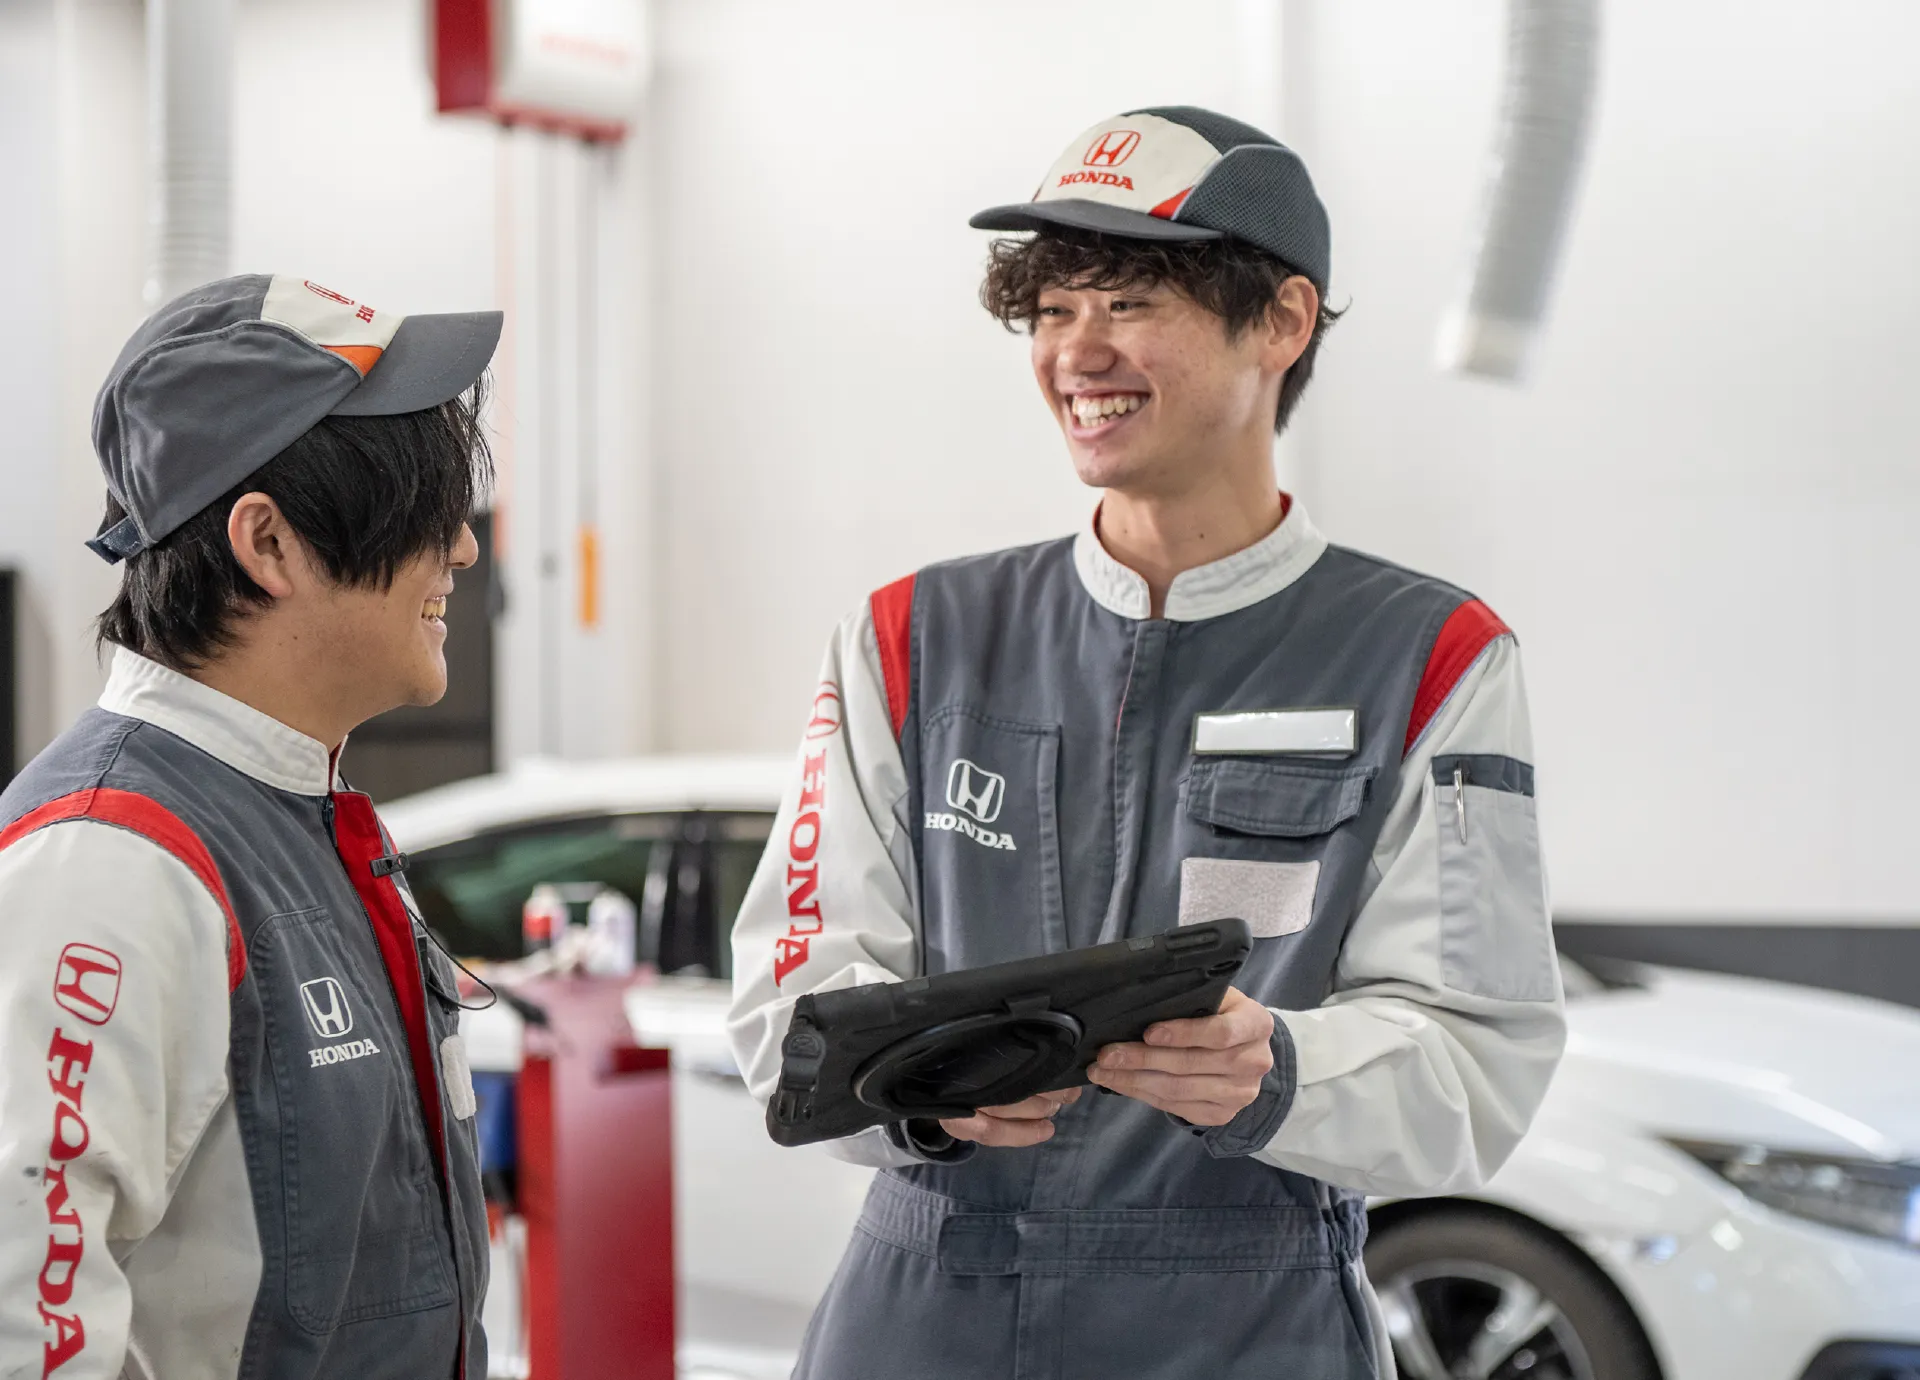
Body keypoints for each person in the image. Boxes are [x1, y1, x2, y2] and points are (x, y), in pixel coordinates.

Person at [728, 107, 1567, 1378]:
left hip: (1248, 1322)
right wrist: (923, 1087)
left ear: (1281, 321)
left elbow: (1476, 1059)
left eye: (1129, 301)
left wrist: (1279, 1066)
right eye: (1052, 308)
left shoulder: (1433, 657)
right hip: (925, 1309)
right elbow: (786, 1006)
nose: (1079, 351)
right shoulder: (908, 639)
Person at [0, 275, 499, 1378]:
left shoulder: (295, 814)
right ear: (268, 543)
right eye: (425, 507)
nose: (462, 549)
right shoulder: (111, 861)